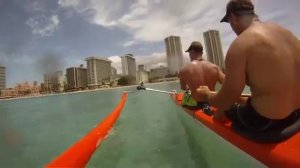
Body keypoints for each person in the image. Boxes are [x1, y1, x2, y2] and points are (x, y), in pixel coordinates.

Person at [197, 0, 300, 141]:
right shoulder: (288, 34)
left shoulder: (240, 45)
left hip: (269, 123)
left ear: (232, 18)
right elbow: (273, 88)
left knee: (224, 108)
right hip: (296, 116)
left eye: (229, 22)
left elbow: (226, 100)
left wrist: (208, 95)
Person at [179, 41, 225, 111]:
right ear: (202, 53)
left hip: (196, 105)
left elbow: (183, 87)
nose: (189, 55)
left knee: (185, 98)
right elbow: (228, 84)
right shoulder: (214, 67)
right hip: (213, 101)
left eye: (189, 53)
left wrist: (190, 87)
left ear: (192, 52)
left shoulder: (184, 70)